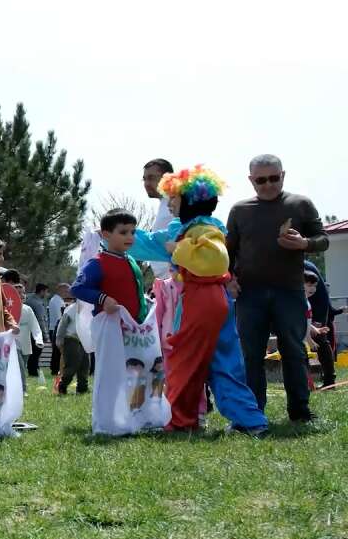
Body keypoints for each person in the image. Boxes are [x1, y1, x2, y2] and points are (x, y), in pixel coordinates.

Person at [141, 166, 268, 434]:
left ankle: (180, 420)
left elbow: (214, 260)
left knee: (185, 358)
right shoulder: (195, 227)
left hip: (202, 297)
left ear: (190, 201)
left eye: (174, 198)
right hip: (213, 298)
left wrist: (179, 250)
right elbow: (151, 243)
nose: (170, 203)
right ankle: (250, 421)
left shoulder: (202, 230)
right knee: (224, 361)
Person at [226, 154, 328, 423]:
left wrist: (305, 243)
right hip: (250, 293)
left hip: (290, 291)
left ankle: (300, 412)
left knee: (294, 350)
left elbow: (324, 240)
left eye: (274, 178)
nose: (268, 184)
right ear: (251, 180)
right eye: (261, 180)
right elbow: (228, 251)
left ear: (283, 175)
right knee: (250, 354)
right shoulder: (239, 210)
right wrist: (228, 279)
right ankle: (251, 414)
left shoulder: (300, 204)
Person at [71, 209, 149, 323]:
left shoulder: (131, 260)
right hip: (110, 328)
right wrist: (103, 299)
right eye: (123, 232)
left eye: (132, 232)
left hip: (135, 329)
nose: (130, 237)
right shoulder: (97, 263)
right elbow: (77, 288)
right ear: (106, 235)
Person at [304, 261, 341, 388]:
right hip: (303, 305)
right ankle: (306, 382)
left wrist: (316, 323)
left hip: (317, 306)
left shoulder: (306, 268)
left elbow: (321, 297)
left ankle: (329, 380)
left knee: (319, 339)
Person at [143, 159, 177, 278]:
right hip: (166, 282)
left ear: (167, 178)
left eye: (151, 178)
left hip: (178, 279)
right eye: (144, 179)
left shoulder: (178, 203)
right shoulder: (164, 203)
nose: (146, 183)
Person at [54, 300, 89, 395]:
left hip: (84, 340)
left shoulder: (90, 309)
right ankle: (62, 386)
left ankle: (82, 388)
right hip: (71, 338)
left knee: (84, 365)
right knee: (72, 365)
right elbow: (63, 324)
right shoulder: (71, 309)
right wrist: (59, 339)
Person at [47, 283, 68, 376]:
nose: (67, 293)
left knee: (57, 351)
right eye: (66, 290)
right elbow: (59, 316)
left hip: (57, 327)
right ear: (61, 290)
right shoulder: (56, 301)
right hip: (56, 328)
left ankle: (56, 368)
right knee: (56, 351)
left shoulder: (58, 300)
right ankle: (55, 369)